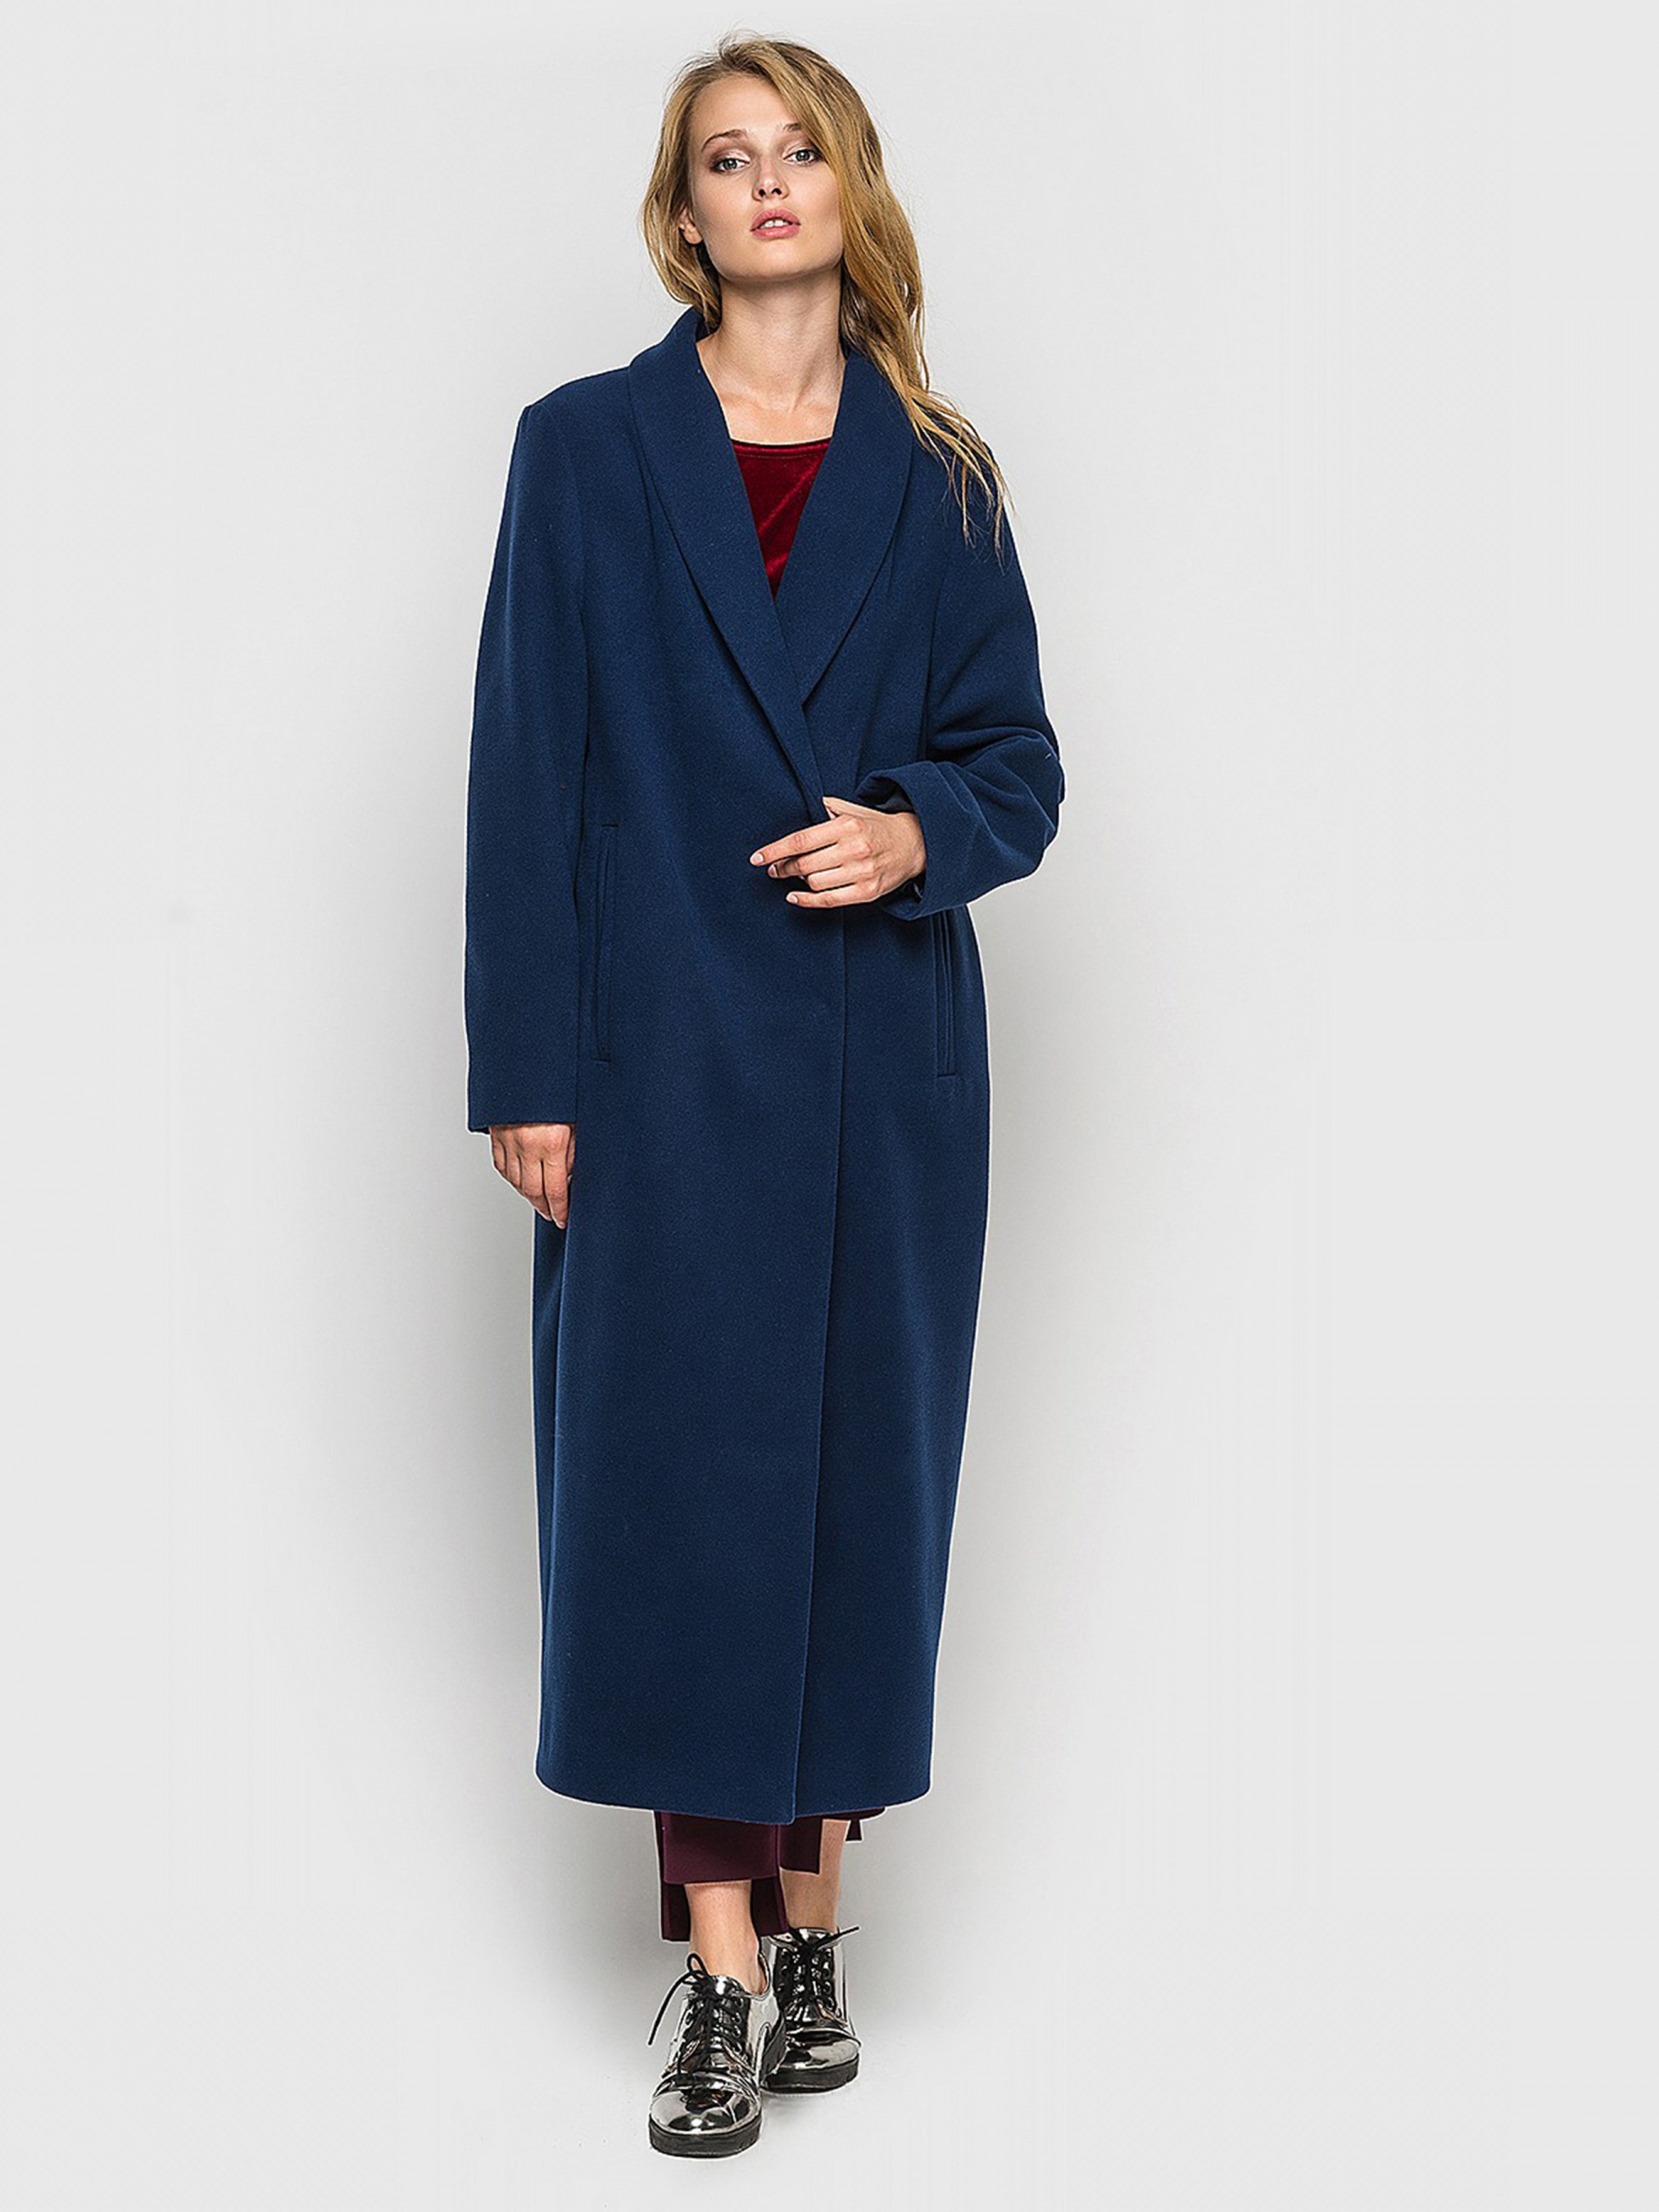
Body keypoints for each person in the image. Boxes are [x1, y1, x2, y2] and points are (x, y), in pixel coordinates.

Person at [464, 34, 1064, 2159]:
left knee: (852, 1495)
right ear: (686, 211)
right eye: (727, 158)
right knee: (676, 1500)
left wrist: (913, 831)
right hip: (656, 1068)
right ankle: (717, 1970)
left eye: (798, 146)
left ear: (849, 184)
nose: (768, 181)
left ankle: (816, 1927)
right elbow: (524, 768)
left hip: (880, 1076)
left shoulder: (940, 473)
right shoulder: (585, 450)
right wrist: (528, 1070)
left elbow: (1019, 765)